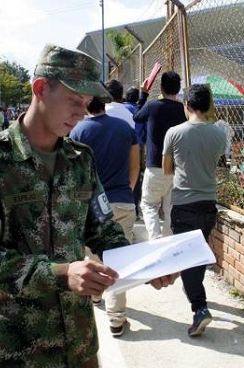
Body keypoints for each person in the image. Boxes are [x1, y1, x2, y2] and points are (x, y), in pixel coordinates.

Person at [0, 44, 177, 368]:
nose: (81, 113)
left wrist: (144, 267)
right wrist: (61, 274)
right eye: (73, 101)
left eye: (85, 104)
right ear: (40, 89)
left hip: (78, 345)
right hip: (16, 350)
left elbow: (104, 230)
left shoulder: (79, 160)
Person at [69, 96, 139, 338]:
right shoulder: (125, 128)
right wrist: (127, 191)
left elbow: (73, 171)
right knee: (119, 259)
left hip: (92, 203)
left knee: (92, 251)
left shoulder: (78, 130)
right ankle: (117, 320)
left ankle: (96, 293)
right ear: (105, 104)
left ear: (86, 106)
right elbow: (135, 166)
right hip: (123, 199)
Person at [162, 84, 226, 337]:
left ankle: (200, 308)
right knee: (197, 254)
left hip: (183, 202)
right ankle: (196, 296)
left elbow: (167, 170)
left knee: (187, 260)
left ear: (186, 105)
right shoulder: (220, 133)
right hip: (209, 203)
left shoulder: (174, 133)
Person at [133, 71, 186, 239]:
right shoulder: (183, 110)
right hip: (177, 168)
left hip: (155, 166)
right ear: (178, 89)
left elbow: (137, 117)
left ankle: (156, 239)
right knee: (171, 208)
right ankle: (168, 240)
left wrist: (144, 94)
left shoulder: (152, 106)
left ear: (161, 87)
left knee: (149, 204)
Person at [124, 87, 145, 219]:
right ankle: (135, 209)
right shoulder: (140, 110)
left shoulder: (121, 108)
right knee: (136, 175)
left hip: (121, 144)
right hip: (137, 146)